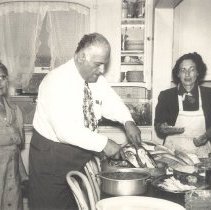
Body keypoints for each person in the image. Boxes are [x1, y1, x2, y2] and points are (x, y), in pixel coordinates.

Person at [29, 32, 141, 210]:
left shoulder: (94, 78)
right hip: (52, 159)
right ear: (82, 57)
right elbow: (65, 130)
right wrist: (105, 143)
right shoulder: (56, 82)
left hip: (79, 157)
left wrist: (128, 120)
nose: (102, 70)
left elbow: (110, 101)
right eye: (98, 64)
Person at [154, 52, 211, 158]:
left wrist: (207, 135)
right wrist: (162, 128)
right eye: (183, 70)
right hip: (173, 153)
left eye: (192, 69)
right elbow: (158, 125)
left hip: (202, 154)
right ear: (178, 74)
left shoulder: (209, 95)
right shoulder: (166, 96)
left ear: (198, 72)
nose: (187, 74)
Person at [0, 63, 28, 210]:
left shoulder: (15, 111)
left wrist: (24, 178)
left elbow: (15, 150)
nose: (0, 82)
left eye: (2, 77)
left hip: (12, 183)